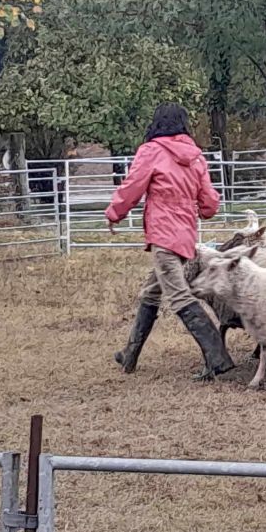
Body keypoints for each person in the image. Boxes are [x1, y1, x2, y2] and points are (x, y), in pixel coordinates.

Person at [106, 103, 234, 380]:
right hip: (186, 236)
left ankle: (218, 358)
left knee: (178, 297)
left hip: (164, 236)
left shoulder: (151, 151)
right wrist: (203, 209)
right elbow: (209, 201)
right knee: (150, 292)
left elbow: (132, 186)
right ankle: (130, 354)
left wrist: (115, 213)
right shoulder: (195, 156)